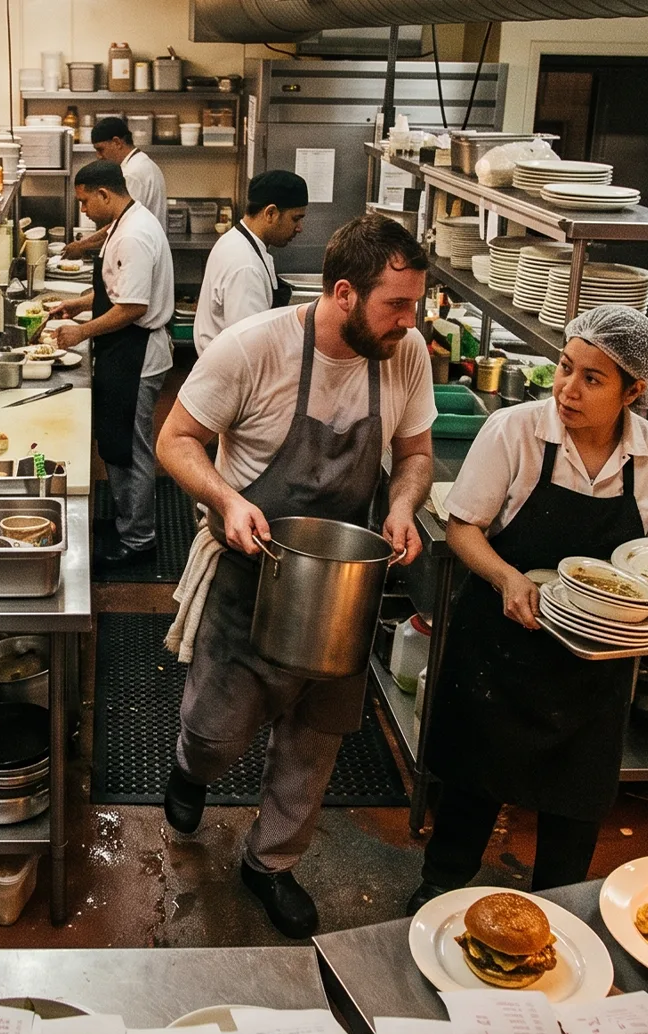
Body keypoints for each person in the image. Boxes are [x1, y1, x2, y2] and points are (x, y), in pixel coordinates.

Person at [156, 214, 436, 938]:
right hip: (252, 574)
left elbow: (413, 454)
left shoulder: (405, 354)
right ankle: (190, 770)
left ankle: (270, 863)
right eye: (395, 305)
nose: (411, 322)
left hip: (343, 584)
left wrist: (403, 506)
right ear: (344, 293)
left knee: (315, 741)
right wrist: (225, 497)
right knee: (217, 735)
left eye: (415, 304)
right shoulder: (254, 348)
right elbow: (175, 439)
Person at [408, 306, 648, 915]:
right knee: (473, 781)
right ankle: (440, 886)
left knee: (577, 795)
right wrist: (507, 578)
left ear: (633, 390)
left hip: (596, 659)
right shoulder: (515, 431)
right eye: (566, 367)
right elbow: (463, 527)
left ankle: (560, 909)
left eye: (593, 378)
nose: (568, 388)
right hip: (501, 644)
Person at [49, 160, 174, 570]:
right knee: (118, 445)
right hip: (125, 349)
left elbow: (133, 307)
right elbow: (118, 292)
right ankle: (126, 524)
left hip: (136, 353)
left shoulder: (135, 234)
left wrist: (80, 333)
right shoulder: (126, 220)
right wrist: (78, 304)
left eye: (85, 201)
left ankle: (139, 540)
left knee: (131, 450)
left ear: (105, 194)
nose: (83, 210)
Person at [194, 170, 309, 354]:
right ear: (270, 213)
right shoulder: (245, 265)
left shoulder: (242, 241)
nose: (299, 228)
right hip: (232, 376)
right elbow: (249, 348)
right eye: (295, 219)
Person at [62, 117, 167, 258]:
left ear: (117, 142)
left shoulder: (133, 173)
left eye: (101, 149)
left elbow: (120, 223)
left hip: (139, 250)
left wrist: (82, 245)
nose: (99, 156)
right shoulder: (140, 163)